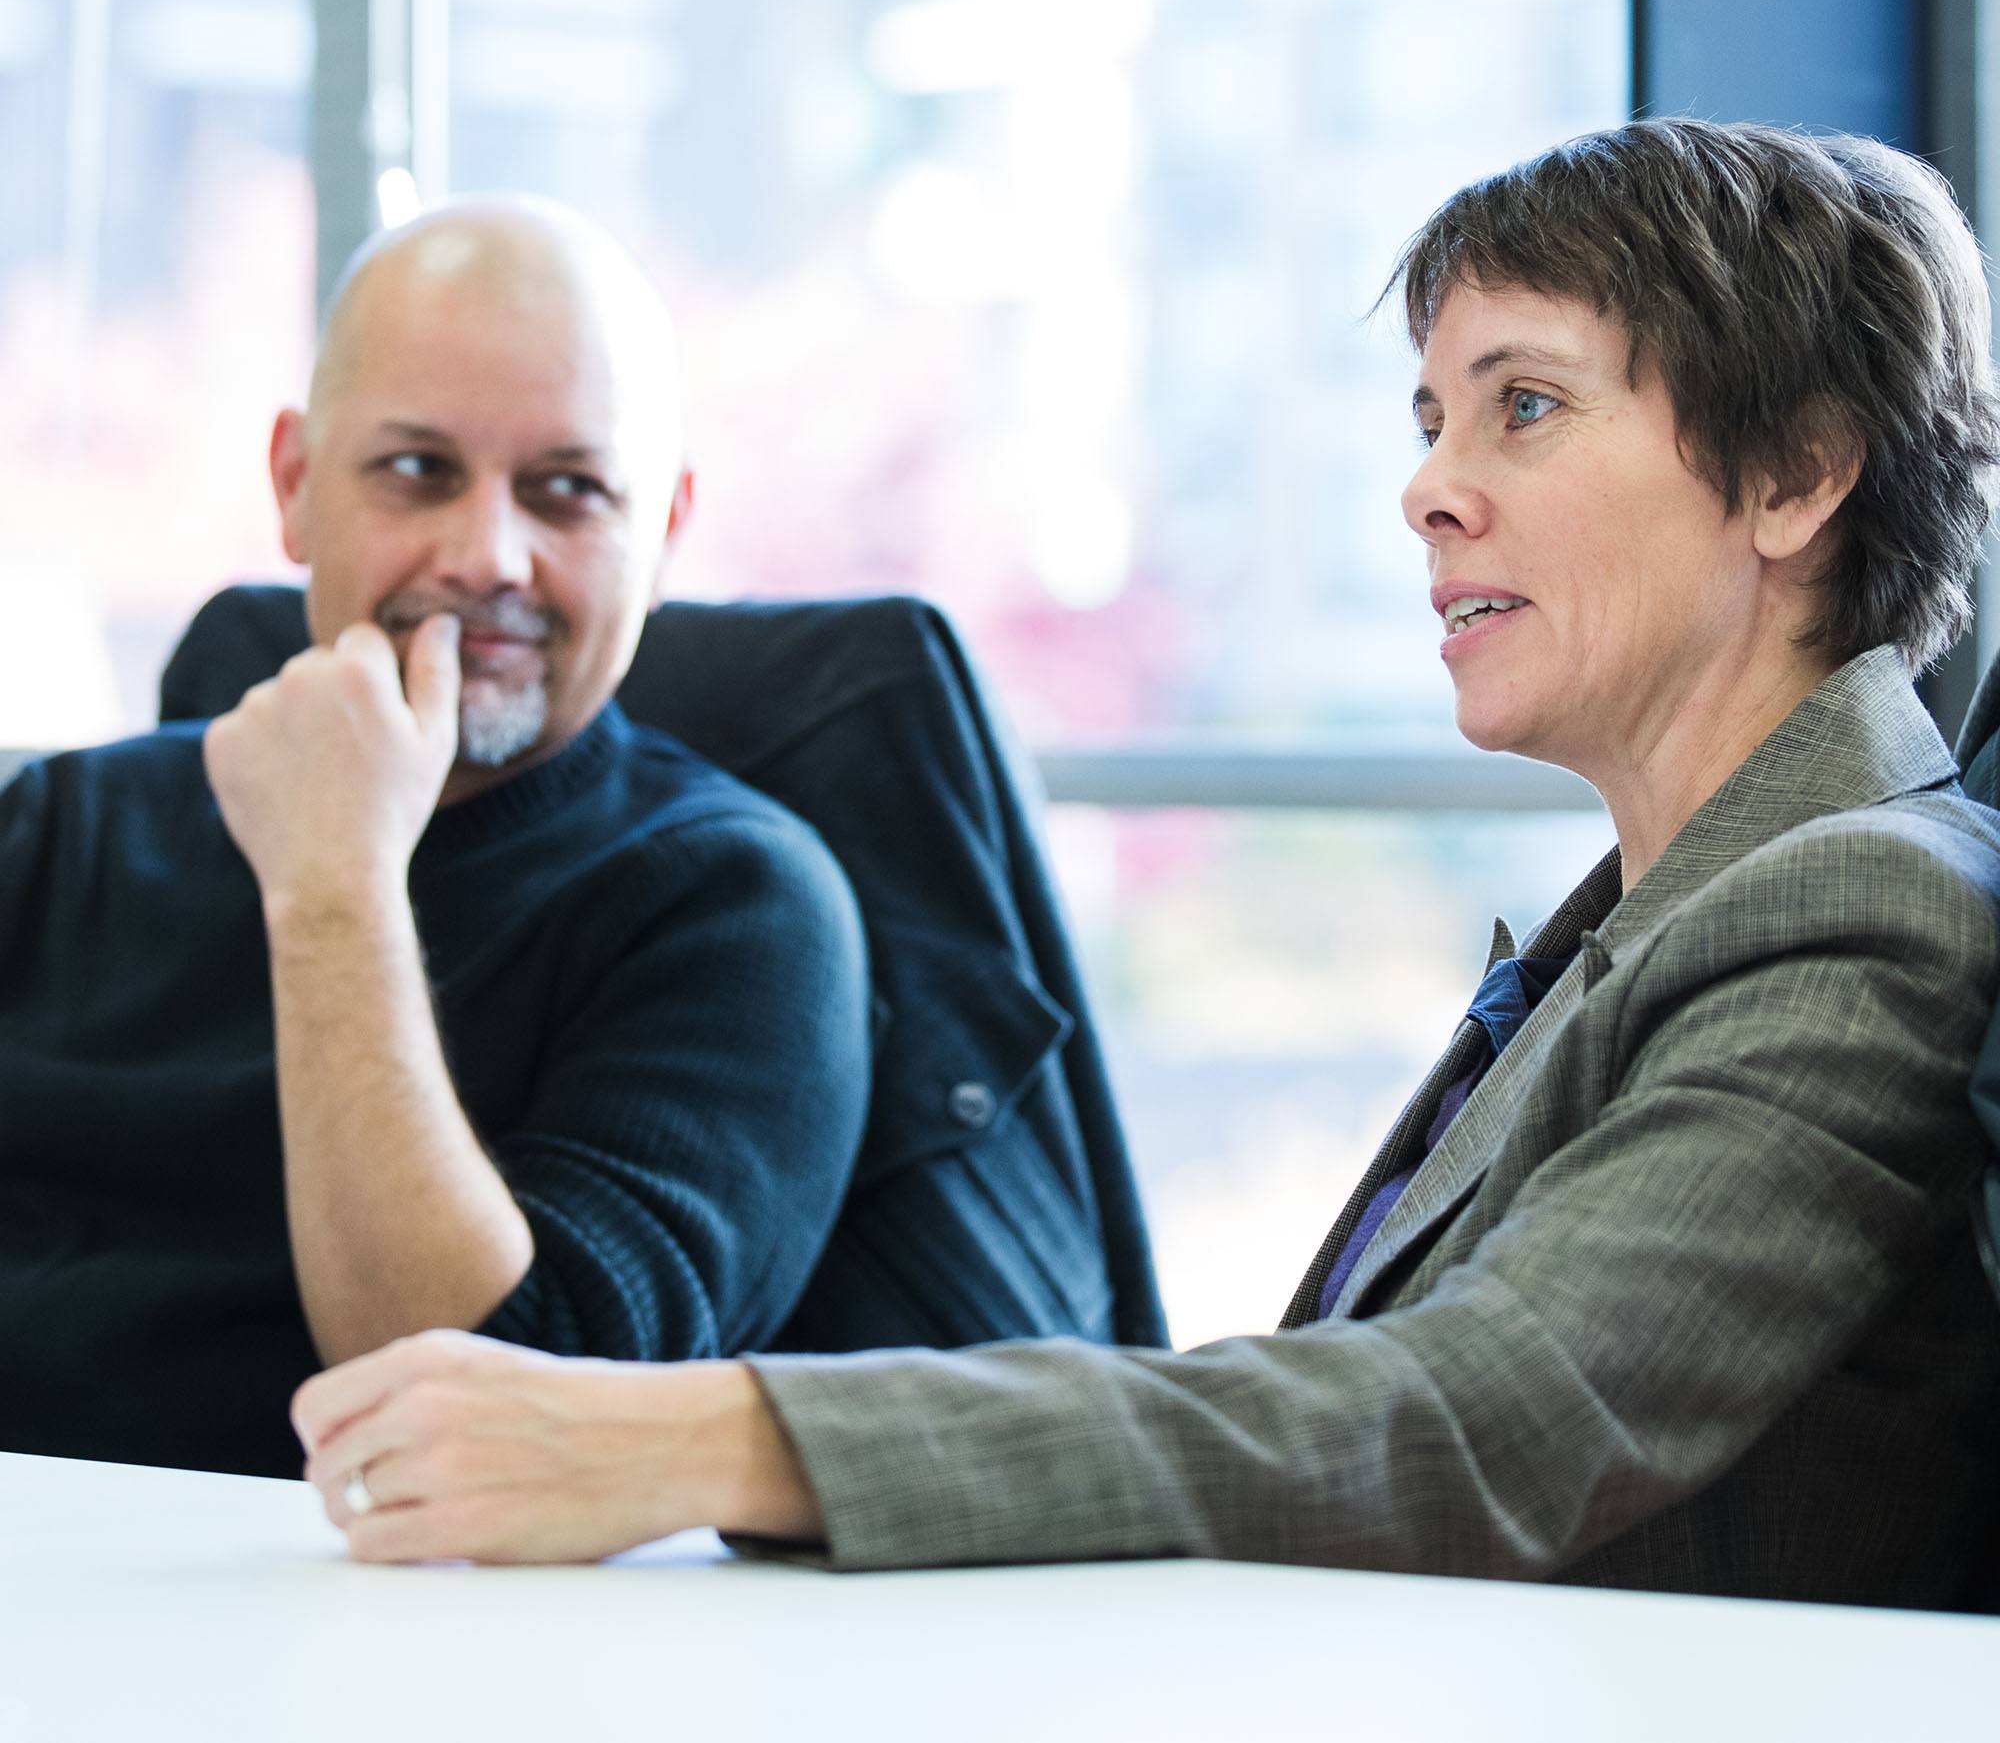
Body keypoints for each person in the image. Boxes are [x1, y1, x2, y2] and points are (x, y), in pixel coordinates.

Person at [299, 121, 2000, 1608]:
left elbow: (1482, 1419)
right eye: (1428, 419)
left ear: (1796, 474)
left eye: (1524, 408)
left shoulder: (1862, 906)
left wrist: (717, 1434)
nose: (1426, 490)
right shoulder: (1645, 921)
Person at [0, 200, 871, 1477]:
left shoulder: (738, 910)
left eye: (566, 489)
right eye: (418, 470)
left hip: (404, 1647)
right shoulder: (59, 830)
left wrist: (335, 882)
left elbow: (503, 1428)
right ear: (296, 485)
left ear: (665, 530)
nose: (488, 555)